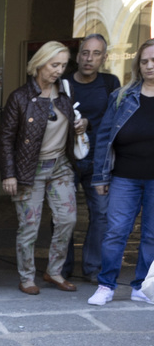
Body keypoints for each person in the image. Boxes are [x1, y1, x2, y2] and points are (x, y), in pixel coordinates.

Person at [0, 41, 88, 295]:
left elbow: (71, 125)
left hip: (60, 167)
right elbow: (5, 138)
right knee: (29, 226)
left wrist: (81, 125)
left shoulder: (65, 93)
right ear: (39, 63)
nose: (59, 70)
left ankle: (54, 271)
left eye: (62, 65)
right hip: (29, 170)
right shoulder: (20, 97)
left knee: (68, 219)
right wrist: (9, 173)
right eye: (54, 64)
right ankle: (27, 277)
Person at [88, 37, 154, 306]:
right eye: (145, 61)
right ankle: (106, 285)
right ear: (138, 65)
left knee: (152, 234)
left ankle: (142, 286)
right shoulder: (122, 96)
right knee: (116, 231)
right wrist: (101, 176)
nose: (150, 66)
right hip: (124, 177)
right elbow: (104, 138)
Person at [62, 34, 120, 282]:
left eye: (96, 54)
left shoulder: (110, 83)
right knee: (63, 215)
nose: (89, 58)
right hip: (65, 160)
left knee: (101, 214)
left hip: (98, 161)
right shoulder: (63, 82)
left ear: (104, 58)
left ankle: (92, 267)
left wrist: (89, 124)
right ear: (78, 56)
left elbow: (117, 120)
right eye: (85, 52)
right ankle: (61, 268)